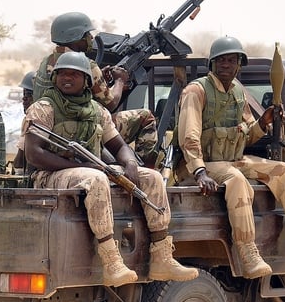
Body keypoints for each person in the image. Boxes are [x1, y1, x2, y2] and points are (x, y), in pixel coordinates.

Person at [174, 36, 285, 279]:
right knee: (236, 180)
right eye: (221, 60)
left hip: (231, 159)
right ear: (212, 64)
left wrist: (263, 123)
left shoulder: (237, 93)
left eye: (232, 60)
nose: (226, 65)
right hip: (198, 166)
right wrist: (199, 172)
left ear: (239, 65)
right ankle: (247, 252)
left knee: (283, 171)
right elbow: (188, 136)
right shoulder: (197, 90)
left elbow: (245, 137)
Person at [24, 52, 197, 287]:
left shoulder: (97, 111)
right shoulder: (43, 108)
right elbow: (35, 154)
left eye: (74, 74)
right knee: (96, 178)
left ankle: (161, 256)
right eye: (62, 74)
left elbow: (118, 145)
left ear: (86, 80)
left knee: (152, 178)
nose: (67, 78)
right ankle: (111, 261)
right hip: (48, 175)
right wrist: (83, 166)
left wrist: (130, 164)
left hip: (85, 170)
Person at [34, 12, 159, 167]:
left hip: (46, 127)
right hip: (78, 127)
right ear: (76, 36)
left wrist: (101, 81)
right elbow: (111, 103)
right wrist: (120, 80)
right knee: (146, 117)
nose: (91, 38)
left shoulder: (45, 63)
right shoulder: (87, 64)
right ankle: (143, 170)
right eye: (87, 34)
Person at [12, 71, 36, 174]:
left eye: (29, 94)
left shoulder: (33, 118)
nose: (24, 98)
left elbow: (19, 162)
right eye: (24, 94)